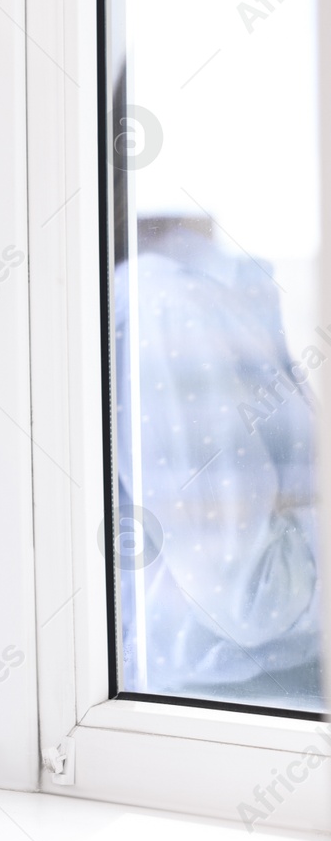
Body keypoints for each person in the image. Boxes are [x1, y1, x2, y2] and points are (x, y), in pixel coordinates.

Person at [111, 215, 321, 712]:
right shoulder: (169, 306)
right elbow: (252, 600)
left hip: (262, 690)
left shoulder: (226, 288)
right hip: (221, 710)